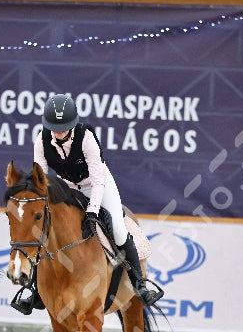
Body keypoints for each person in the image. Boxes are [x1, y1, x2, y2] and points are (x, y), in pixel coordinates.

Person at [11, 93, 163, 315]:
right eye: (54, 126)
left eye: (63, 126)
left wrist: (92, 211)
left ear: (73, 123)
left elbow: (98, 178)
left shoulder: (86, 137)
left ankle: (140, 284)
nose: (58, 131)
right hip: (67, 187)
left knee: (119, 230)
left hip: (98, 183)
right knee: (47, 229)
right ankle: (35, 292)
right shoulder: (41, 140)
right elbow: (39, 177)